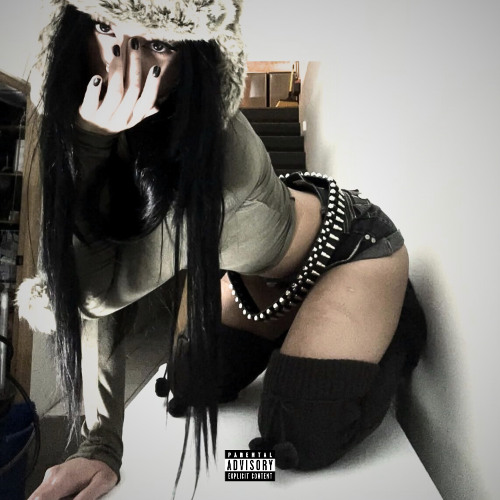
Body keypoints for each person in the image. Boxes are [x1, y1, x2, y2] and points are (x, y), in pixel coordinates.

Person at [18, 1, 426, 498]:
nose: (126, 64)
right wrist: (99, 446)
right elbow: (95, 264)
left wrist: (90, 145)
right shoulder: (89, 131)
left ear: (195, 56)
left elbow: (96, 294)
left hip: (348, 250)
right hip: (258, 280)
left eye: (160, 42)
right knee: (187, 388)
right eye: (106, 27)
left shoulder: (219, 155)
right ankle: (305, 331)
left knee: (297, 438)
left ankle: (394, 318)